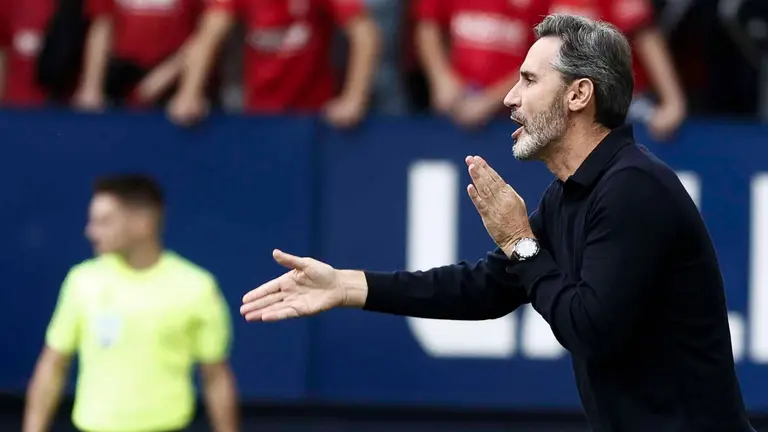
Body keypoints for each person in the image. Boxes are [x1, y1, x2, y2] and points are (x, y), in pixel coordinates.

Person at [240, 13, 755, 432]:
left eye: (528, 80)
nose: (509, 97)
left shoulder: (634, 188)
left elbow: (589, 328)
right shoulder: (572, 193)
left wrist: (518, 240)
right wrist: (346, 285)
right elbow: (484, 288)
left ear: (579, 95)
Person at [24, 175, 238, 432]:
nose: (91, 231)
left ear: (143, 222)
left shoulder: (197, 286)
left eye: (104, 221)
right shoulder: (82, 281)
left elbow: (215, 377)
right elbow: (52, 366)